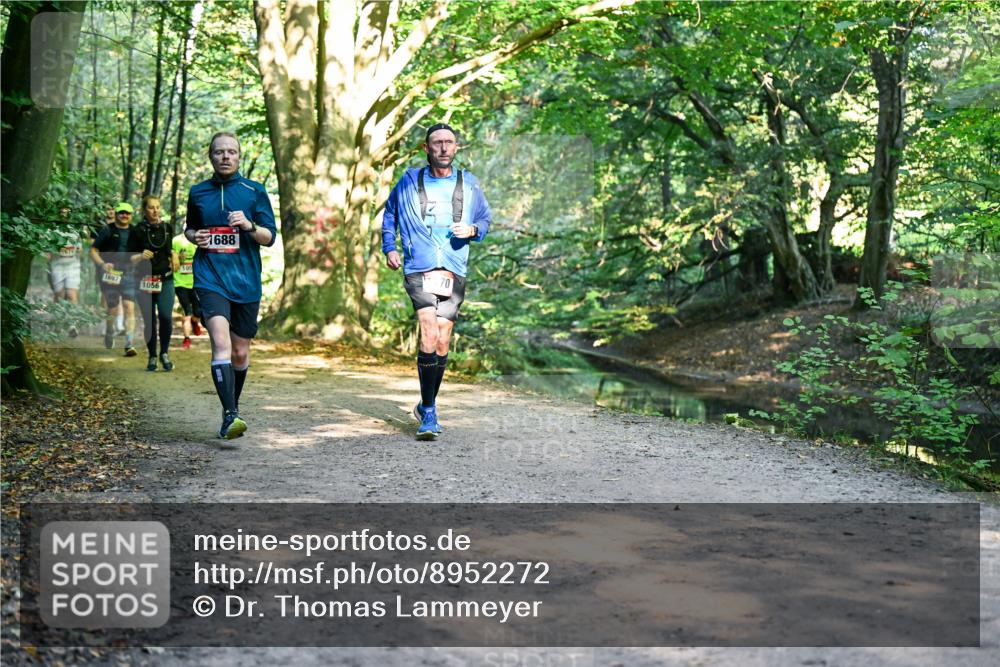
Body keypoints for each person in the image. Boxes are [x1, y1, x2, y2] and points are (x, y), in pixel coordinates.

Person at [381, 123, 492, 440]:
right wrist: (390, 247)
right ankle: (429, 413)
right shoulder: (409, 181)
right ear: (426, 148)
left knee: (443, 340)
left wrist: (472, 230)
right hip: (420, 265)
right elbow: (390, 214)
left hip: (453, 267)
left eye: (449, 142)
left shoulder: (469, 184)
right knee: (428, 332)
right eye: (437, 142)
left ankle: (425, 402)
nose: (443, 147)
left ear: (456, 147)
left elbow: (484, 219)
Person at [184, 132, 276, 440]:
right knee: (221, 342)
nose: (225, 157)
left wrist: (249, 225)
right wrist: (194, 237)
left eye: (231, 152)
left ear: (238, 156)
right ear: (210, 156)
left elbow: (270, 237)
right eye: (219, 152)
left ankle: (231, 407)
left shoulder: (254, 191)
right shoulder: (198, 192)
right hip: (210, 276)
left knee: (239, 352)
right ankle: (230, 415)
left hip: (246, 280)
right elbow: (190, 228)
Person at [129, 195, 178, 371]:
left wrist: (174, 255)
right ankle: (152, 356)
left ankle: (164, 353)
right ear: (144, 210)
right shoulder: (137, 230)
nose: (155, 210)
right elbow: (128, 259)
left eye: (157, 207)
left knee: (165, 317)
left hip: (165, 279)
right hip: (144, 280)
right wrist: (140, 256)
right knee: (149, 320)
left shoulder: (167, 228)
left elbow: (170, 249)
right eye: (151, 207)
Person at [90, 202, 138, 355]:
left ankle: (129, 344)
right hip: (110, 274)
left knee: (129, 307)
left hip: (129, 273)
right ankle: (109, 330)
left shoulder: (135, 231)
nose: (124, 215)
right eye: (121, 212)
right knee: (113, 308)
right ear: (116, 214)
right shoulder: (107, 230)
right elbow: (93, 250)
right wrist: (102, 264)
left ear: (131, 215)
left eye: (127, 213)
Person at [48, 207, 83, 337]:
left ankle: (72, 325)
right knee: (59, 295)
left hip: (72, 265)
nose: (65, 215)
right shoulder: (52, 231)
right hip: (57, 265)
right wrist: (54, 253)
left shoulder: (75, 231)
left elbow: (80, 250)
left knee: (71, 295)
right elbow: (48, 253)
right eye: (62, 212)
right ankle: (57, 322)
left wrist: (73, 252)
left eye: (67, 213)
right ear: (59, 214)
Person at [172, 225, 202, 350]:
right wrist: (177, 258)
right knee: (187, 312)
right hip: (180, 283)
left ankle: (195, 322)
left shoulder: (198, 241)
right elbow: (171, 263)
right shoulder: (175, 241)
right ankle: (187, 338)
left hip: (195, 282)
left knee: (198, 312)